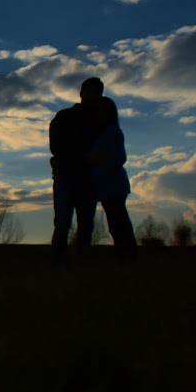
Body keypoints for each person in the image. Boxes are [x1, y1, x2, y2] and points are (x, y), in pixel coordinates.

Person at [49, 77, 103, 264]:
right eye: (90, 93)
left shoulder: (99, 123)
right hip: (66, 178)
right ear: (81, 94)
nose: (93, 98)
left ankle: (81, 268)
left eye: (97, 94)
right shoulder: (64, 117)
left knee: (86, 227)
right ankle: (59, 268)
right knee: (63, 224)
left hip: (87, 181)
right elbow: (56, 147)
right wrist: (83, 157)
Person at [83, 96, 137, 260]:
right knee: (116, 225)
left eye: (99, 110)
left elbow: (119, 158)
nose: (96, 114)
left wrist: (97, 174)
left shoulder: (112, 131)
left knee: (119, 225)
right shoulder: (103, 133)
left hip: (113, 186)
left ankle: (128, 259)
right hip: (107, 188)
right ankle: (127, 259)